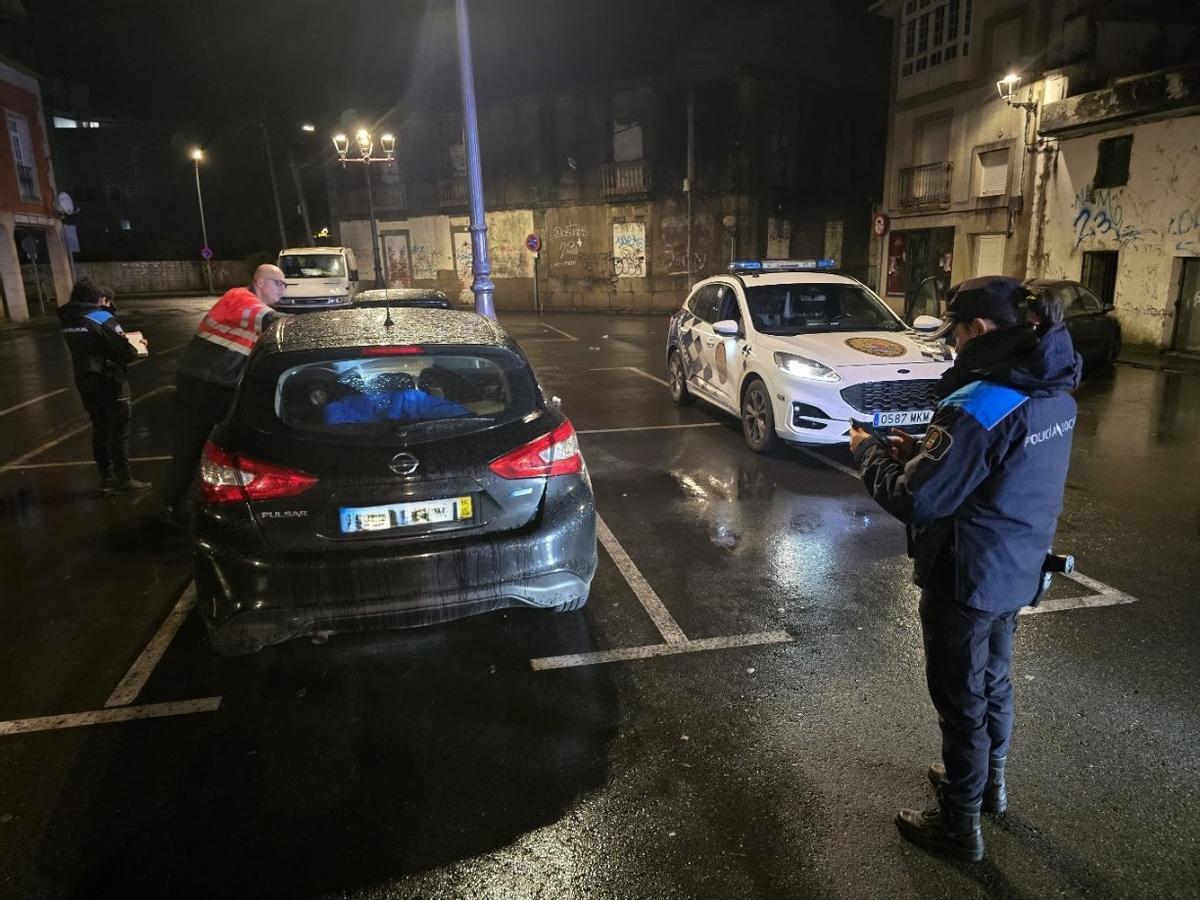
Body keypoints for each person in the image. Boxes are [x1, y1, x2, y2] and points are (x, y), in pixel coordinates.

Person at [849, 276, 1082, 862]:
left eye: (952, 329)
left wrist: (869, 453)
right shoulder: (1052, 386)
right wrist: (921, 454)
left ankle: (958, 824)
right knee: (993, 683)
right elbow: (997, 467)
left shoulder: (980, 401)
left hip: (966, 575)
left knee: (960, 701)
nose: (949, 341)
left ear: (977, 330)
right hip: (1017, 565)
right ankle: (987, 791)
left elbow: (917, 500)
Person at [163, 264, 288, 520]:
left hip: (215, 384)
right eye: (279, 283)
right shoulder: (239, 298)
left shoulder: (247, 304)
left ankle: (193, 505)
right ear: (260, 282)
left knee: (217, 446)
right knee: (193, 446)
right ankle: (172, 508)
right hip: (201, 386)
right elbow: (274, 322)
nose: (283, 290)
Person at [58, 278, 151, 494]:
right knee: (118, 432)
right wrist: (137, 346)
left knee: (99, 430)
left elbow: (95, 342)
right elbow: (126, 353)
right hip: (110, 381)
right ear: (101, 299)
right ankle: (124, 479)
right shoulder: (102, 317)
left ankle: (106, 477)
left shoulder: (68, 318)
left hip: (85, 381)